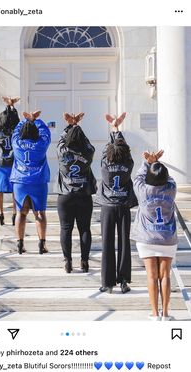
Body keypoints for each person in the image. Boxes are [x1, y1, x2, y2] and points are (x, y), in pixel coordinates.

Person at [132, 150, 178, 321]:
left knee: (151, 276)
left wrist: (149, 163)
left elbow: (138, 177)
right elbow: (170, 178)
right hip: (166, 238)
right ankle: (165, 314)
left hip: (146, 238)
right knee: (165, 275)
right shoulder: (171, 190)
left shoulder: (142, 190)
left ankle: (154, 313)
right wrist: (158, 164)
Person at [98, 112, 137, 294]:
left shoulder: (105, 165)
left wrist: (113, 130)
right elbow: (125, 151)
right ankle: (123, 281)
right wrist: (118, 129)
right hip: (122, 205)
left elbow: (109, 149)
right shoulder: (128, 165)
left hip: (108, 205)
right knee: (124, 243)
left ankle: (107, 282)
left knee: (107, 243)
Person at [55, 112, 97, 273]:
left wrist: (69, 125)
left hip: (65, 195)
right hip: (83, 194)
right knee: (84, 229)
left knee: (65, 228)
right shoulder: (88, 152)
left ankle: (68, 261)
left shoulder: (62, 152)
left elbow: (60, 140)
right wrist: (77, 126)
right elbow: (88, 144)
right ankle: (84, 261)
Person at [10, 110, 51, 255]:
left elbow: (15, 132)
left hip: (20, 181)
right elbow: (46, 133)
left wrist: (24, 120)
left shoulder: (17, 144)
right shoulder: (41, 144)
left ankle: (20, 244)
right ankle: (42, 244)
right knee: (39, 212)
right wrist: (36, 120)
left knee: (22, 212)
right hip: (38, 181)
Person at [0, 96, 20, 226]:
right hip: (14, 162)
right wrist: (12, 107)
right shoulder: (16, 131)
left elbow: (3, 118)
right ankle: (15, 213)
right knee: (15, 188)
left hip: (1, 161)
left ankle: (0, 213)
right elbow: (15, 120)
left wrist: (7, 107)